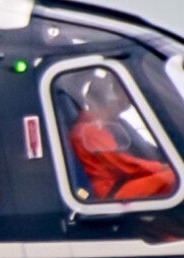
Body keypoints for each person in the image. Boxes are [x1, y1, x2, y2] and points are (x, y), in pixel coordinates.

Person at [65, 72, 178, 203]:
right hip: (112, 191)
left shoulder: (101, 127)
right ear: (108, 101)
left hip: (120, 182)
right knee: (176, 178)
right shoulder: (88, 131)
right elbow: (122, 163)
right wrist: (160, 167)